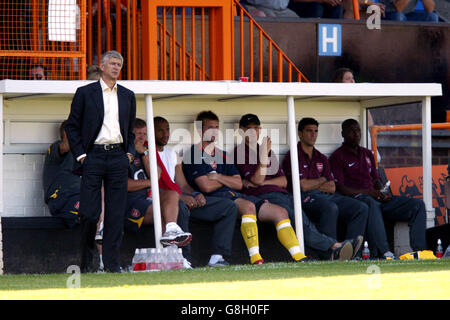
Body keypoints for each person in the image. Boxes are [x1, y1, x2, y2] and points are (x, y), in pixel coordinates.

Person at [183, 110, 311, 265]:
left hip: (235, 195)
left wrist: (217, 177)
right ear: (199, 130)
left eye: (217, 127)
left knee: (280, 211)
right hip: (214, 200)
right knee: (249, 206)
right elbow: (206, 186)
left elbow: (238, 183)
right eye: (210, 127)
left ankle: (299, 256)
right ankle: (256, 258)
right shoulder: (194, 153)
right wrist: (228, 180)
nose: (215, 131)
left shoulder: (222, 154)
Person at [234, 113, 364, 260]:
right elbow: (257, 179)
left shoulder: (267, 151)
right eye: (249, 128)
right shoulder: (240, 152)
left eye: (256, 128)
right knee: (301, 222)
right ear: (241, 130)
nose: (253, 132)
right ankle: (334, 247)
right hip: (266, 198)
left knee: (307, 221)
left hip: (283, 194)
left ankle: (332, 250)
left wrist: (262, 180)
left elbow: (283, 181)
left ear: (260, 129)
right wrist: (263, 160)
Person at [65, 50, 136, 273]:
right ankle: (87, 262)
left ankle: (112, 264)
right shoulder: (85, 92)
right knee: (89, 213)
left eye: (119, 64)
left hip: (118, 156)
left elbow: (130, 130)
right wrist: (81, 155)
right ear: (102, 67)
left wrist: (129, 154)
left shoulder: (127, 95)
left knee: (116, 213)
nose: (116, 67)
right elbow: (72, 126)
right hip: (92, 156)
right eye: (112, 63)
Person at [329, 118, 428, 259]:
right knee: (371, 203)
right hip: (358, 200)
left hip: (376, 197)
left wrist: (382, 191)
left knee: (417, 205)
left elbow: (375, 179)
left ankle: (420, 251)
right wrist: (370, 193)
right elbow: (341, 188)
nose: (356, 134)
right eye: (351, 131)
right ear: (343, 134)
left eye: (358, 130)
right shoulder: (337, 157)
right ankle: (385, 252)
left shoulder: (367, 153)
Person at [154, 116, 239, 267]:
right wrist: (182, 198)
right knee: (181, 208)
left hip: (180, 197)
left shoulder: (172, 153)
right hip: (164, 200)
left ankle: (217, 257)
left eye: (167, 129)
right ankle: (184, 258)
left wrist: (194, 194)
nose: (165, 133)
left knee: (229, 206)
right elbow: (154, 187)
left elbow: (183, 184)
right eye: (160, 130)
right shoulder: (149, 154)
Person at [125, 118, 192, 253]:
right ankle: (173, 254)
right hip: (130, 202)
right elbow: (124, 185)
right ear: (129, 134)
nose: (141, 137)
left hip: (148, 198)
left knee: (172, 195)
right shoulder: (123, 153)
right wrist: (150, 182)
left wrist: (144, 153)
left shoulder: (146, 152)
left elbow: (157, 174)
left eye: (144, 133)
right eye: (138, 133)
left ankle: (171, 230)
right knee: (165, 211)